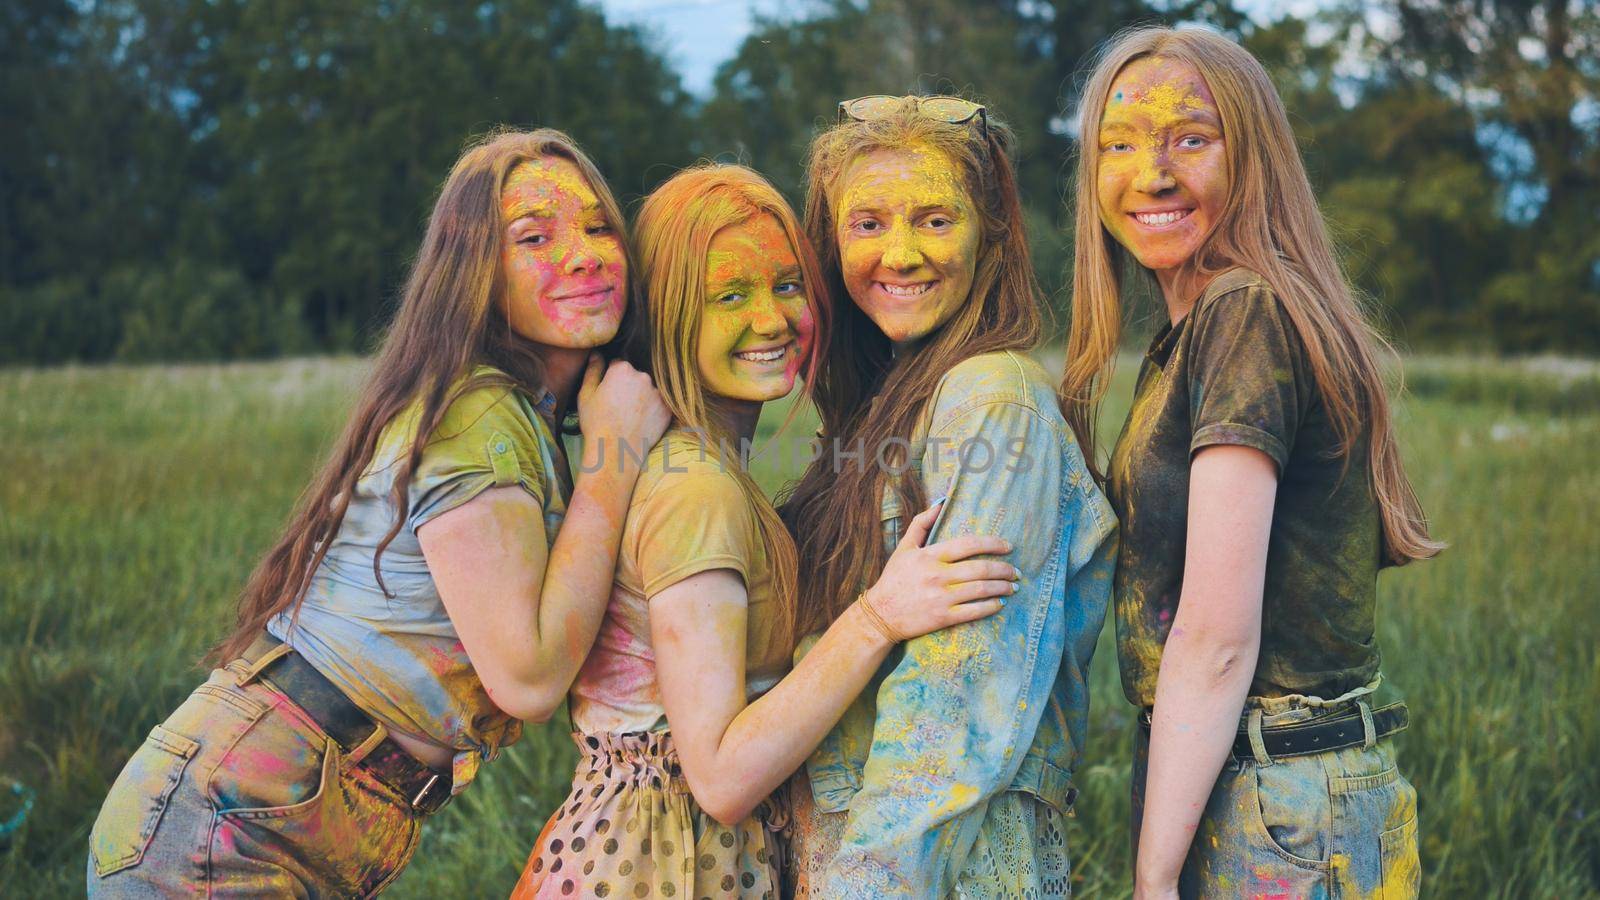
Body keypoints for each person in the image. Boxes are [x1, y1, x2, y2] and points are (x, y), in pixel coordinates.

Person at [86, 128, 672, 896]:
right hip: (220, 833)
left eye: (599, 227)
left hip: (291, 814)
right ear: (474, 271)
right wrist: (612, 460)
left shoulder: (524, 416)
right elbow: (528, 678)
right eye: (535, 236)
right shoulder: (478, 414)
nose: (585, 253)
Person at [511, 163, 1019, 900]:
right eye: (730, 296)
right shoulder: (697, 491)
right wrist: (879, 615)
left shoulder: (702, 467)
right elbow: (718, 776)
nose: (772, 320)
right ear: (671, 312)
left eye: (786, 285)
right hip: (658, 866)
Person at [1060, 26, 1440, 899]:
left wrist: (1152, 879)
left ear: (1254, 155)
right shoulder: (1206, 325)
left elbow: (1218, 638)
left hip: (1278, 796)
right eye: (1119, 145)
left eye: (1191, 138)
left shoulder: (1244, 312)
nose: (1151, 174)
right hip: (1263, 783)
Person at [781, 96, 1118, 898]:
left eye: (935, 220)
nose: (898, 253)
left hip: (948, 871)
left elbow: (956, 712)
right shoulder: (892, 398)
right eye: (867, 224)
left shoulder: (991, 397)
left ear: (990, 233)